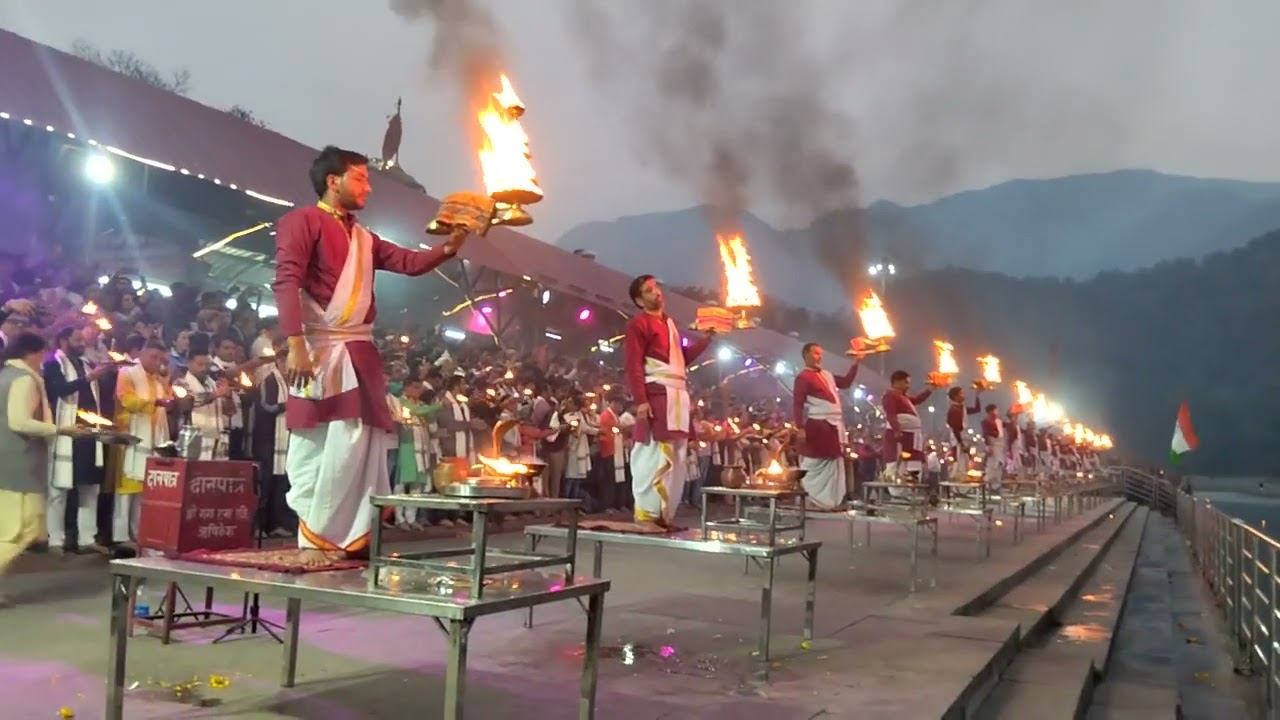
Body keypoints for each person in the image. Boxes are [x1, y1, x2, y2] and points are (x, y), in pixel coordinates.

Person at [272, 145, 469, 566]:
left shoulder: (364, 237)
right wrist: (295, 343)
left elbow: (409, 262)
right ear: (333, 181)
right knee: (317, 446)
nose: (368, 187)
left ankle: (351, 537)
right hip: (320, 350)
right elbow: (286, 281)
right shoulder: (302, 222)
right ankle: (316, 535)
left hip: (360, 353)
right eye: (360, 178)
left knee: (360, 447)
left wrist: (450, 247)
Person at [622, 274, 713, 527]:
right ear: (640, 301)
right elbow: (633, 366)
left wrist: (706, 340)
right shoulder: (638, 324)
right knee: (652, 455)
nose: (656, 292)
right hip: (657, 394)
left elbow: (680, 360)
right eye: (648, 290)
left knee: (677, 457)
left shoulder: (670, 323)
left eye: (656, 287)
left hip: (678, 397)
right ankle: (646, 515)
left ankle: (664, 515)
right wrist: (641, 400)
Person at [0, 332, 82, 606]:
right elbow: (19, 422)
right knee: (24, 527)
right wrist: (60, 429)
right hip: (18, 464)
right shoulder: (24, 379)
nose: (43, 361)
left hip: (10, 461)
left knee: (12, 529)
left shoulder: (6, 374)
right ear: (31, 353)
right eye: (42, 354)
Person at [43, 325, 114, 554]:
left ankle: (87, 539)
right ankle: (55, 539)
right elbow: (60, 390)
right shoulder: (54, 363)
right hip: (66, 431)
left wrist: (105, 372)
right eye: (78, 339)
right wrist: (90, 377)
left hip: (88, 433)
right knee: (59, 490)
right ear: (63, 340)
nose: (83, 344)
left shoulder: (84, 363)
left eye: (83, 340)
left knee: (90, 486)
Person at [114, 339, 178, 546]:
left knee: (145, 491)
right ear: (141, 353)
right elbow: (127, 401)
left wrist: (166, 384)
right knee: (126, 490)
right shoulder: (127, 372)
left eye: (161, 359)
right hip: (130, 435)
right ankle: (120, 535)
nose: (157, 362)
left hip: (153, 438)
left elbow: (168, 403)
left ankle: (138, 533)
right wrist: (155, 402)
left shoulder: (158, 379)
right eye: (153, 357)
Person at [791, 342, 859, 510]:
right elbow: (797, 403)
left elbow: (845, 382)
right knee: (816, 461)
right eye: (815, 353)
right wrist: (799, 427)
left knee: (834, 461)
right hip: (819, 424)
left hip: (834, 425)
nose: (819, 357)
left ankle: (830, 502)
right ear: (806, 354)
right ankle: (810, 494)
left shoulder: (827, 375)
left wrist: (856, 363)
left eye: (821, 353)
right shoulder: (803, 377)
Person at [880, 370, 936, 484]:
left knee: (914, 462)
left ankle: (911, 491)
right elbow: (891, 414)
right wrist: (896, 430)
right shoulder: (890, 395)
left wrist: (931, 389)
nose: (908, 386)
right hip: (899, 436)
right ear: (897, 382)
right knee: (897, 463)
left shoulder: (904, 397)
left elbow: (917, 400)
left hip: (912, 436)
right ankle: (898, 493)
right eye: (906, 382)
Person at [945, 386, 982, 482]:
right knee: (958, 465)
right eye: (961, 393)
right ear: (955, 396)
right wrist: (961, 444)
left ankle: (961, 488)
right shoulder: (954, 410)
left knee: (965, 464)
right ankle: (955, 489)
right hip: (958, 442)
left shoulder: (962, 408)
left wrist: (977, 395)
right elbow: (956, 429)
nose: (964, 395)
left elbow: (977, 409)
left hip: (963, 440)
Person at [979, 403, 1005, 489]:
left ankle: (996, 485)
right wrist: (988, 446)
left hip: (1000, 446)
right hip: (992, 445)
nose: (997, 412)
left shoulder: (999, 422)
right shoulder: (985, 422)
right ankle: (988, 485)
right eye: (995, 410)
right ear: (990, 412)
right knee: (991, 466)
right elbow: (986, 434)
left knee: (999, 465)